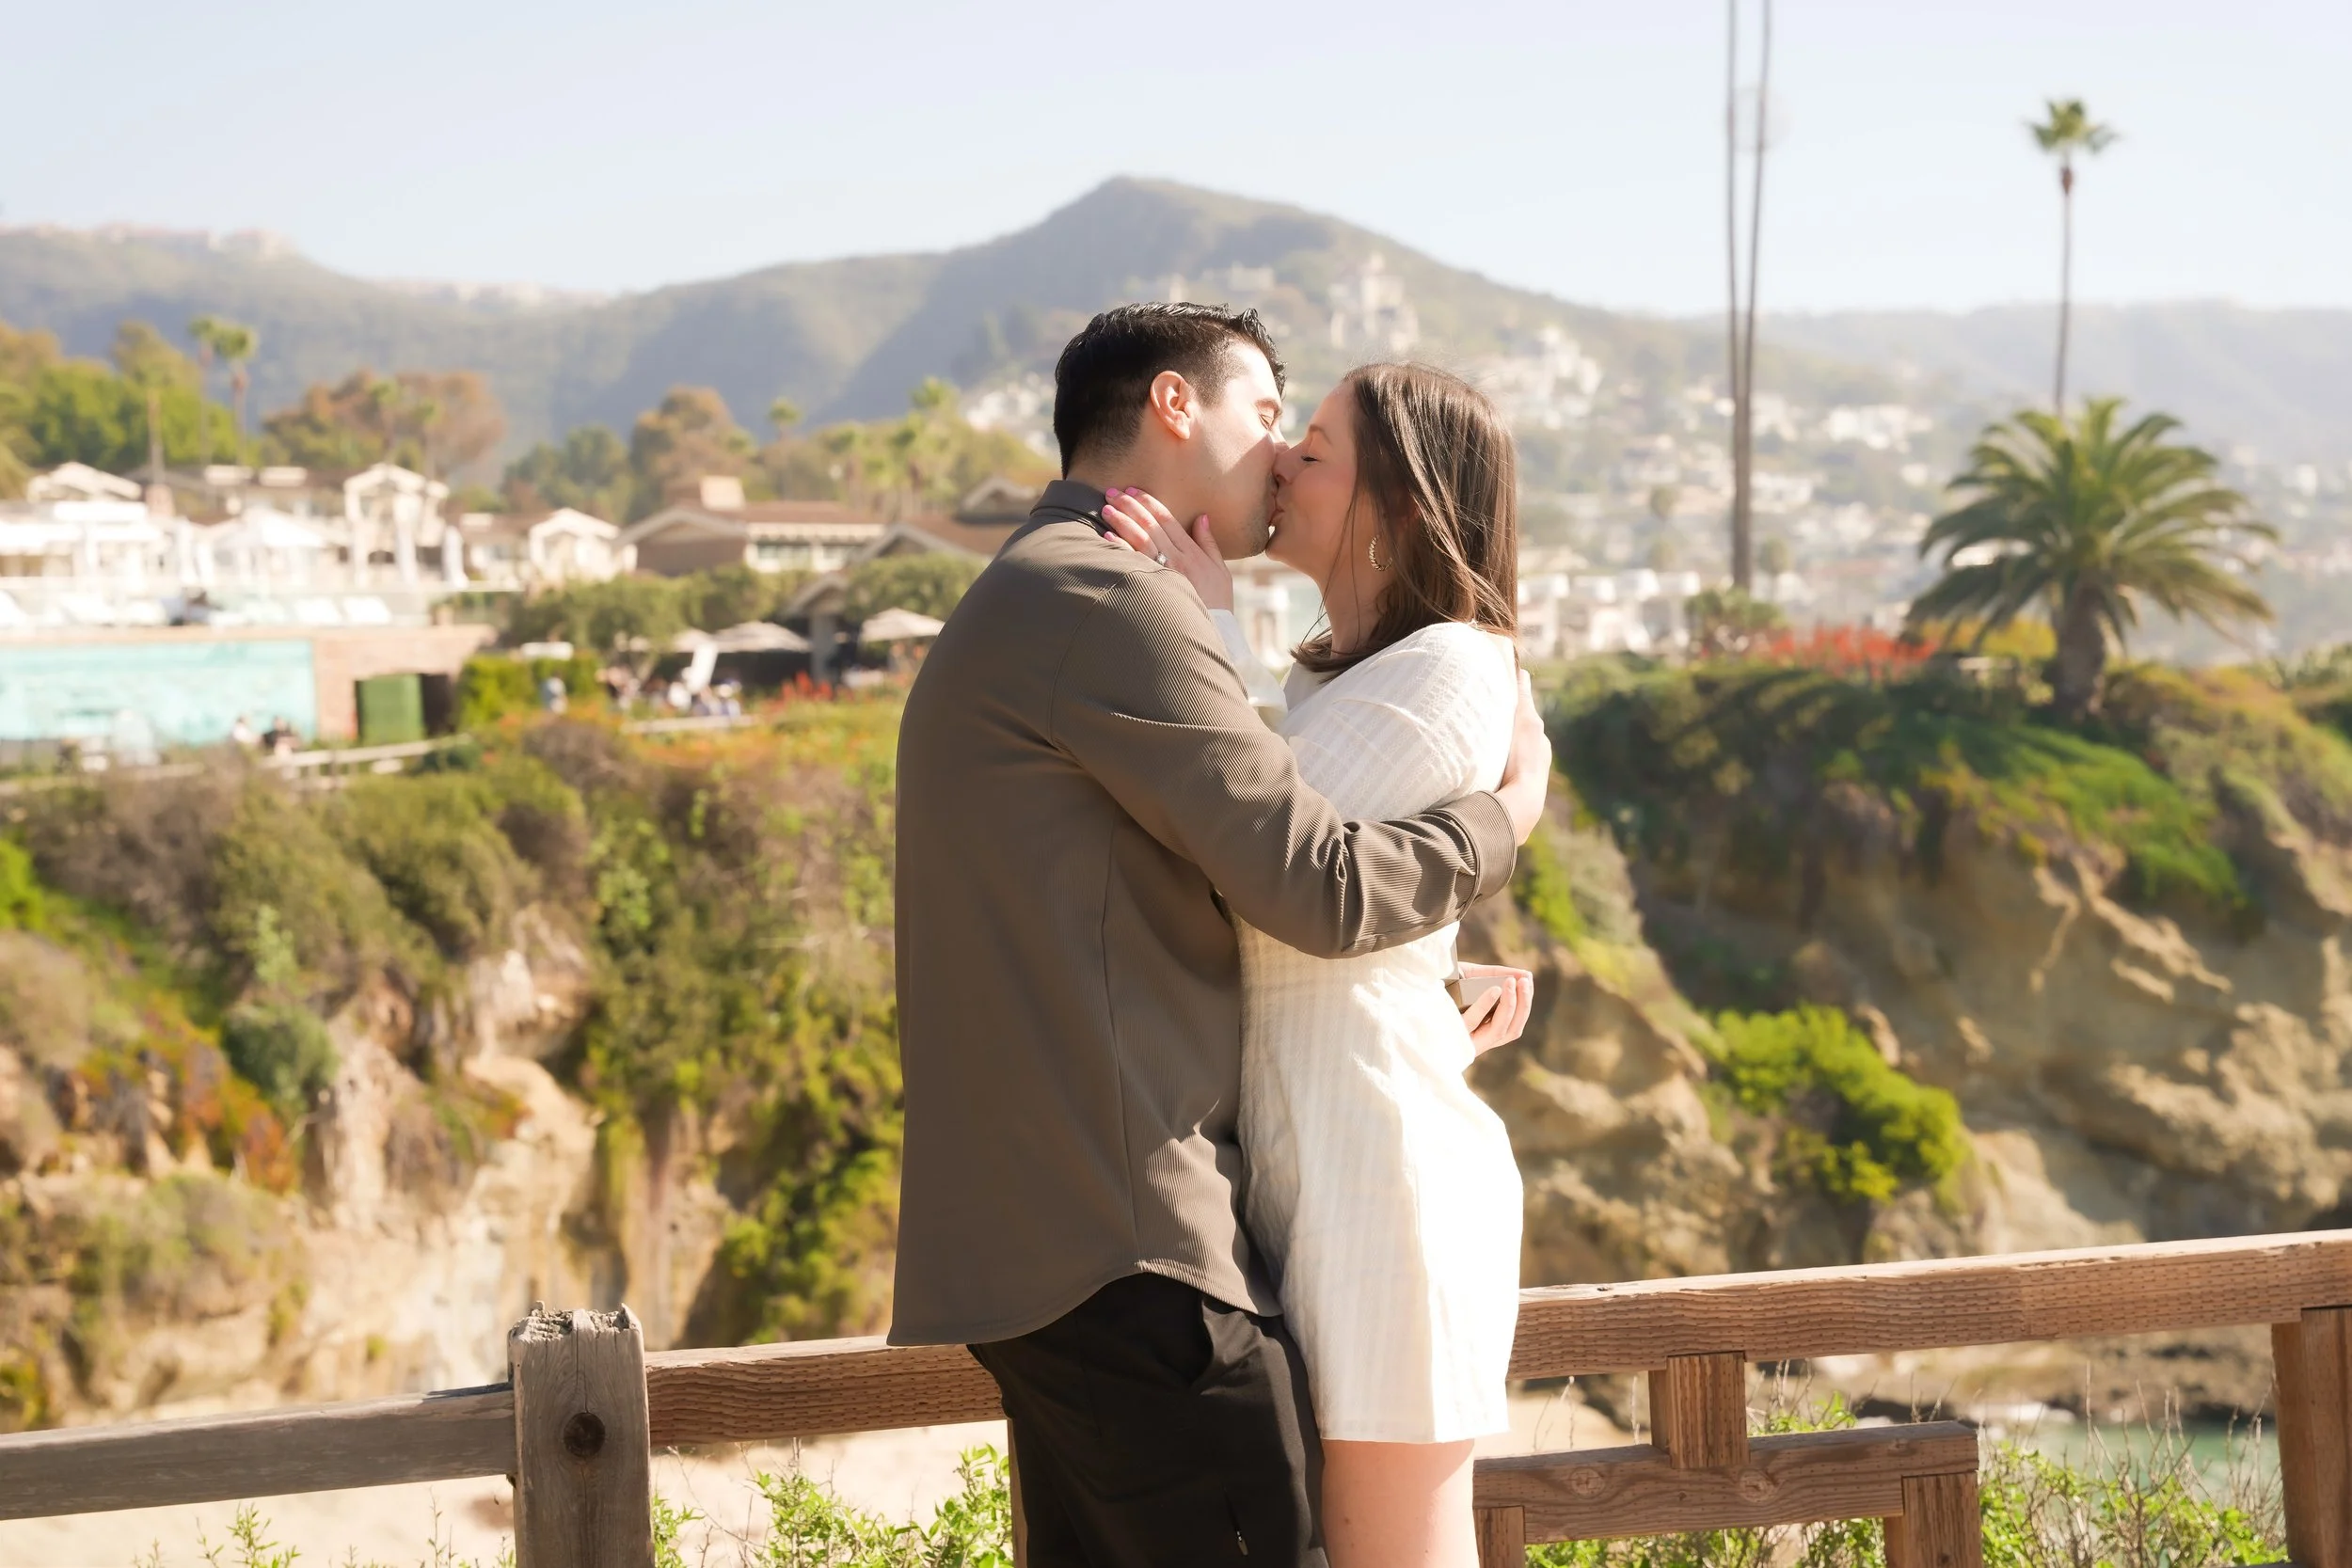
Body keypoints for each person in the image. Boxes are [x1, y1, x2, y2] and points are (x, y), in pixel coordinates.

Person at [892, 303, 1549, 1568]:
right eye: (1269, 417)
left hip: (1056, 1247)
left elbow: (1194, 874)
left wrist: (1425, 977)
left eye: (1310, 441)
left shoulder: (1043, 590)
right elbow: (1311, 883)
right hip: (1126, 1243)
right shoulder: (1106, 601)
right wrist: (1504, 816)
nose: (1281, 456)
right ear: (1175, 409)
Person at [1099, 363, 1529, 1568]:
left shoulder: (1453, 660)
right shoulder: (1341, 677)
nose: (1281, 461)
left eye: (1320, 449)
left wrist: (1209, 626)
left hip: (1384, 1179)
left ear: (1396, 502)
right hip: (1316, 1150)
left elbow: (1272, 867)